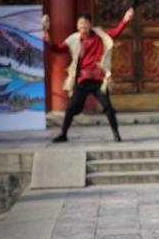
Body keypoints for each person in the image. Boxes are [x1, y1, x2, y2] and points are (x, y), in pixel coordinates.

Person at [45, 8, 133, 142]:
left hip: (98, 80)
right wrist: (48, 41)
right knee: (71, 108)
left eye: (85, 23)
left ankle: (116, 134)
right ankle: (63, 134)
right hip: (82, 80)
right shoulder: (74, 39)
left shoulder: (100, 36)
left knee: (108, 107)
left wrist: (125, 20)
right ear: (77, 26)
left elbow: (115, 32)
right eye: (80, 23)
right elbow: (58, 49)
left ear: (90, 24)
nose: (83, 26)